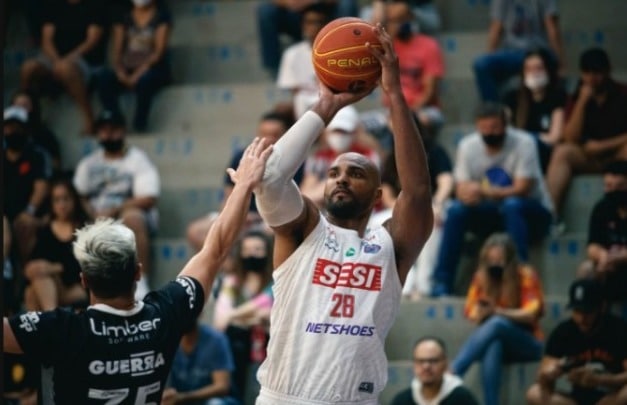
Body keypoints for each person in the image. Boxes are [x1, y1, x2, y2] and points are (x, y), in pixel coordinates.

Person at [2, 137, 274, 403]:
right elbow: (216, 249)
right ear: (137, 273)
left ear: (84, 280)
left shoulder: (61, 329)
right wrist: (244, 186)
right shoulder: (165, 315)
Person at [253, 23, 434, 403]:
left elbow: (417, 193)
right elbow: (268, 179)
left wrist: (394, 94)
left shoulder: (391, 245)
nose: (342, 178)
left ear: (379, 194)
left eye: (356, 173)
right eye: (334, 173)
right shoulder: (304, 229)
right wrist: (325, 107)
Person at [431, 102, 554, 297]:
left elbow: (523, 188)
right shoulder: (468, 146)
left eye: (495, 128)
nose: (490, 133)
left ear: (505, 125)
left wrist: (482, 191)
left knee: (512, 205)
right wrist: (467, 195)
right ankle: (442, 281)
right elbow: (462, 188)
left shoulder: (524, 142)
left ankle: (520, 277)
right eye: (485, 128)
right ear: (477, 127)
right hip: (490, 212)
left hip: (531, 211)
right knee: (456, 210)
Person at [73, 109, 160, 299]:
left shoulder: (137, 159)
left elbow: (149, 197)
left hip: (125, 215)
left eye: (113, 129)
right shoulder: (89, 163)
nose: (109, 134)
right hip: (95, 216)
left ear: (123, 131)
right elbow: (79, 194)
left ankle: (141, 283)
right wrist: (92, 212)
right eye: (104, 130)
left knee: (133, 217)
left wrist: (115, 210)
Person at [450, 233, 544, 405]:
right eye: (491, 260)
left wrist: (497, 312)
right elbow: (471, 312)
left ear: (510, 259)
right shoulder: (481, 277)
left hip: (528, 342)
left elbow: (531, 313)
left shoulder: (525, 274)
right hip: (498, 343)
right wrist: (482, 312)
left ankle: (454, 372)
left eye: (499, 259)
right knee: (493, 344)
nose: (495, 264)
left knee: (497, 324)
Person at [186, 110, 298, 252]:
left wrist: (265, 218)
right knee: (196, 231)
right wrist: (240, 215)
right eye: (263, 134)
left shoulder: (295, 161)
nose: (268, 139)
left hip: (276, 219)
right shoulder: (242, 157)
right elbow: (228, 198)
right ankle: (228, 266)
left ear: (285, 135)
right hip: (242, 216)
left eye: (274, 135)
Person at [369, 116, 453, 300]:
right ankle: (399, 285)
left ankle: (424, 284)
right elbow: (387, 193)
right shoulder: (392, 156)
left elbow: (446, 182)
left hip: (432, 206)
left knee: (433, 223)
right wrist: (404, 210)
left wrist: (437, 203)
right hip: (401, 208)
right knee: (376, 223)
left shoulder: (434, 151)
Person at [545, 48, 627, 224]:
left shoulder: (623, 93)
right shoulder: (576, 97)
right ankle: (550, 216)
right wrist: (582, 102)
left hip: (618, 154)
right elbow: (570, 138)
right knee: (562, 152)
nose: (592, 78)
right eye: (587, 73)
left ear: (607, 71)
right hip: (589, 156)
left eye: (597, 73)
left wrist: (601, 146)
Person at [526, 278, 627, 405]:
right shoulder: (563, 332)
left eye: (587, 312)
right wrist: (551, 373)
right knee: (534, 393)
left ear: (601, 307)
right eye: (577, 311)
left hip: (610, 399)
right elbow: (543, 375)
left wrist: (601, 380)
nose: (581, 318)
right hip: (575, 401)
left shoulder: (618, 330)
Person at [360, 0, 445, 140]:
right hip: (391, 110)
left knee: (425, 119)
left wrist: (407, 114)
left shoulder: (429, 45)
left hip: (423, 109)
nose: (398, 25)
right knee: (358, 125)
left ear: (411, 18)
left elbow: (430, 92)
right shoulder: (387, 47)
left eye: (402, 19)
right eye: (393, 21)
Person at [19, 0, 107, 134]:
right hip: (54, 58)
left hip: (82, 60)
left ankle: (89, 118)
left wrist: (67, 60)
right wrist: (57, 61)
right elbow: (46, 41)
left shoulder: (94, 6)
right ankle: (25, 116)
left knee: (65, 68)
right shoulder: (54, 6)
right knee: (28, 68)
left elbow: (92, 41)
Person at [213, 230, 274, 401]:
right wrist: (257, 318)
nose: (251, 255)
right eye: (246, 250)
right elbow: (220, 321)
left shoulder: (276, 282)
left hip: (268, 346)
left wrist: (233, 316)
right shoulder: (231, 283)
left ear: (268, 253)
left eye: (257, 250)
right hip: (238, 346)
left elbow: (265, 307)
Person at [96, 0, 172, 132]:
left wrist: (138, 73)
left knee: (145, 82)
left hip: (153, 68)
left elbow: (159, 52)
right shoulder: (124, 16)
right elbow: (117, 50)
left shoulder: (162, 17)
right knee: (104, 79)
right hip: (127, 66)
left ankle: (140, 123)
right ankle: (116, 118)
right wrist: (120, 71)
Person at [473, 0, 563, 102]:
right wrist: (490, 59)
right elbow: (496, 29)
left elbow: (552, 28)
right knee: (482, 64)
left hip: (538, 51)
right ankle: (493, 108)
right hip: (512, 53)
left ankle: (550, 104)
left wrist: (560, 62)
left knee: (482, 64)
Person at [23, 179, 90, 311]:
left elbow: (86, 267)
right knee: (32, 289)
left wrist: (53, 268)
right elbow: (33, 262)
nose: (62, 205)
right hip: (51, 286)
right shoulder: (46, 231)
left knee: (35, 287)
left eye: (66, 199)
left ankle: (49, 317)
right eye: (57, 200)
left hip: (78, 287)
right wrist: (34, 269)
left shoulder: (84, 229)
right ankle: (51, 315)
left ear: (74, 200)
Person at [300, 105, 381, 207]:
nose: (340, 136)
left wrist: (326, 188)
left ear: (355, 132)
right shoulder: (318, 158)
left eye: (344, 132)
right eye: (336, 131)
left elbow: (364, 191)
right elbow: (305, 194)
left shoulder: (368, 156)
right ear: (327, 132)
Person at [256, 0, 358, 78]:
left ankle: (349, 59)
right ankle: (276, 70)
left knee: (347, 3)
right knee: (265, 11)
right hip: (296, 15)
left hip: (326, 13)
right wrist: (289, 3)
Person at [503, 48, 566, 173]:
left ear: (548, 70)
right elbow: (505, 130)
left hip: (544, 152)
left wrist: (532, 138)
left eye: (539, 68)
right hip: (517, 151)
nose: (534, 73)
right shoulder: (512, 97)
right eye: (529, 69)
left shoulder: (558, 97)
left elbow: (555, 137)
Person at [3, 106, 52, 267]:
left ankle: (24, 274)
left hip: (29, 213)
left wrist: (29, 210)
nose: (12, 131)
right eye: (8, 127)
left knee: (24, 225)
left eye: (16, 127)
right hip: (5, 213)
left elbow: (41, 187)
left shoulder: (37, 155)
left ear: (25, 129)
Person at [578, 160, 627, 306]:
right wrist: (603, 256)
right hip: (610, 266)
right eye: (608, 186)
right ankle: (592, 315)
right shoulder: (602, 208)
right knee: (587, 270)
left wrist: (621, 257)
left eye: (619, 187)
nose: (612, 191)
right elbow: (592, 245)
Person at [276, 2, 333, 120]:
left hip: (332, 100)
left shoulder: (338, 53)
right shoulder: (291, 53)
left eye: (319, 22)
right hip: (304, 100)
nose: (315, 27)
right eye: (310, 22)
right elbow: (294, 90)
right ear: (303, 25)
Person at [163, 320, 240, 405]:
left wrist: (183, 397)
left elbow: (222, 387)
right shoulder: (168, 339)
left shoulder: (216, 340)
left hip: (212, 400)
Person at [391, 336, 479, 405]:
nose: (426, 366)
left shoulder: (463, 399)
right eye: (420, 361)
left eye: (433, 361)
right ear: (414, 365)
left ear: (445, 364)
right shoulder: (402, 401)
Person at [10, 89, 62, 173]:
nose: (21, 109)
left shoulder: (44, 134)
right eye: (17, 106)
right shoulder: (6, 135)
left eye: (25, 105)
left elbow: (55, 164)